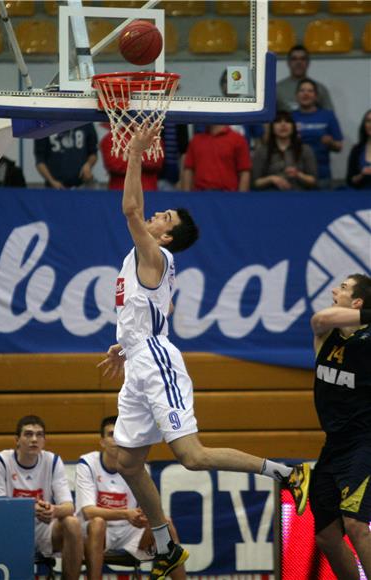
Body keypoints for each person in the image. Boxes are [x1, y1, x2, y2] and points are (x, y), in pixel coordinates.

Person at [98, 124, 310, 579]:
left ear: (167, 237)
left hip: (156, 362)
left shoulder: (153, 253)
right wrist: (125, 342)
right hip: (138, 357)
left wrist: (135, 152)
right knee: (126, 460)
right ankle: (166, 544)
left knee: (192, 457)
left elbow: (130, 206)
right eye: (161, 213)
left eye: (165, 218)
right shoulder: (148, 260)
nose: (155, 216)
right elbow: (155, 307)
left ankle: (288, 475)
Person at [309, 274, 371, 579]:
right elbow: (321, 317)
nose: (335, 290)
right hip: (333, 445)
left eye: (343, 288)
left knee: (356, 524)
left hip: (365, 443)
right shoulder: (325, 333)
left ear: (357, 302)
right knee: (326, 536)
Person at [76, 415, 186, 579]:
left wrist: (143, 516)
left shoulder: (139, 467)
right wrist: (126, 513)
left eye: (119, 434)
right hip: (97, 533)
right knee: (97, 523)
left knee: (166, 523)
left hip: (130, 532)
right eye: (111, 434)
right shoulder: (87, 463)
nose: (115, 439)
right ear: (102, 441)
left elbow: (145, 510)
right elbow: (88, 512)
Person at [0, 415, 83, 580]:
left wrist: (53, 510)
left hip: (44, 529)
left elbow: (69, 507)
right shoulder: (0, 461)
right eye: (28, 434)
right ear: (17, 439)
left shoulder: (52, 461)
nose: (34, 439)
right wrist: (30, 509)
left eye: (39, 435)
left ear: (44, 440)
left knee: (72, 523)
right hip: (11, 528)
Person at [292, 78, 343, 189]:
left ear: (316, 96)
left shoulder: (328, 116)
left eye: (310, 91)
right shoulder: (290, 118)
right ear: (296, 96)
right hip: (297, 172)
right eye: (302, 90)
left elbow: (339, 147)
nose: (306, 94)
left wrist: (330, 142)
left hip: (322, 173)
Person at [252, 110, 317, 191]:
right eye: (278, 122)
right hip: (270, 198)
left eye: (288, 121)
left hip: (299, 197)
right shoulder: (262, 151)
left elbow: (313, 181)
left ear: (293, 126)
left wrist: (298, 174)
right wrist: (271, 179)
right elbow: (255, 183)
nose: (283, 124)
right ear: (272, 127)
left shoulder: (305, 149)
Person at [182, 124, 251, 191]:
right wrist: (186, 198)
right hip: (200, 195)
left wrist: (241, 199)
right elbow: (188, 170)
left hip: (228, 196)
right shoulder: (195, 141)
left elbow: (244, 172)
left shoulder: (238, 140)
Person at [34, 124, 98, 189]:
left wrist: (88, 165)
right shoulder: (45, 124)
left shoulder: (85, 122)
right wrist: (52, 181)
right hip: (54, 188)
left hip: (81, 185)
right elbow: (40, 160)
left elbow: (93, 153)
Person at [276, 44, 334, 113]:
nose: (298, 62)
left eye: (303, 59)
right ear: (288, 62)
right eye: (294, 59)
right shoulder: (277, 89)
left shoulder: (320, 88)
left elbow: (329, 116)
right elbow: (269, 120)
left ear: (308, 62)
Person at [346, 109, 371, 190]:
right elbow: (350, 181)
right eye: (368, 121)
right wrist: (361, 175)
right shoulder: (357, 150)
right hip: (361, 196)